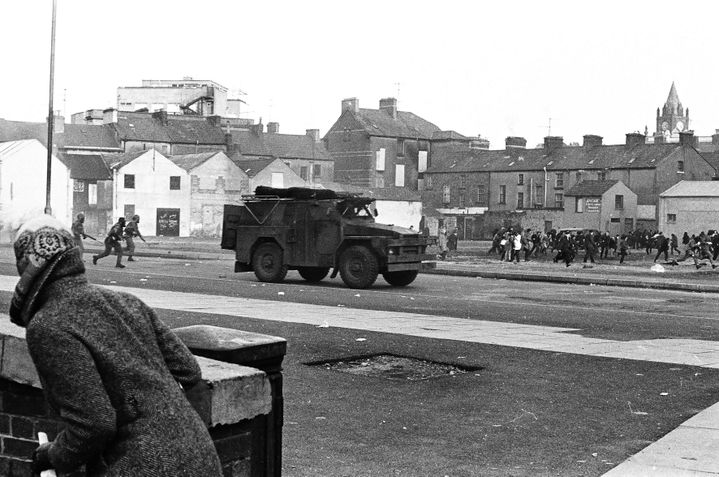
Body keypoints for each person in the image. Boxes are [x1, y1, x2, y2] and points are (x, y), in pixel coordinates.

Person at [10, 215, 222, 477]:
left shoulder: (47, 326)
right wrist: (181, 438)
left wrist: (52, 454)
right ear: (72, 255)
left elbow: (94, 424)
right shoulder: (127, 302)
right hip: (200, 458)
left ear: (26, 269)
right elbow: (191, 373)